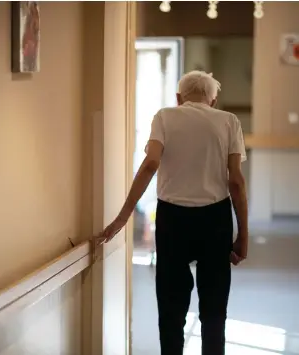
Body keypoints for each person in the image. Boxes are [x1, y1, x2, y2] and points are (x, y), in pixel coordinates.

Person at [97, 70, 249, 355]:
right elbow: (236, 182)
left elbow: (150, 164)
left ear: (179, 98)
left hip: (173, 220)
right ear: (213, 101)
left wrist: (123, 216)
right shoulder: (229, 121)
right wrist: (243, 234)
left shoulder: (164, 117)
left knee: (171, 310)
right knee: (214, 311)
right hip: (215, 219)